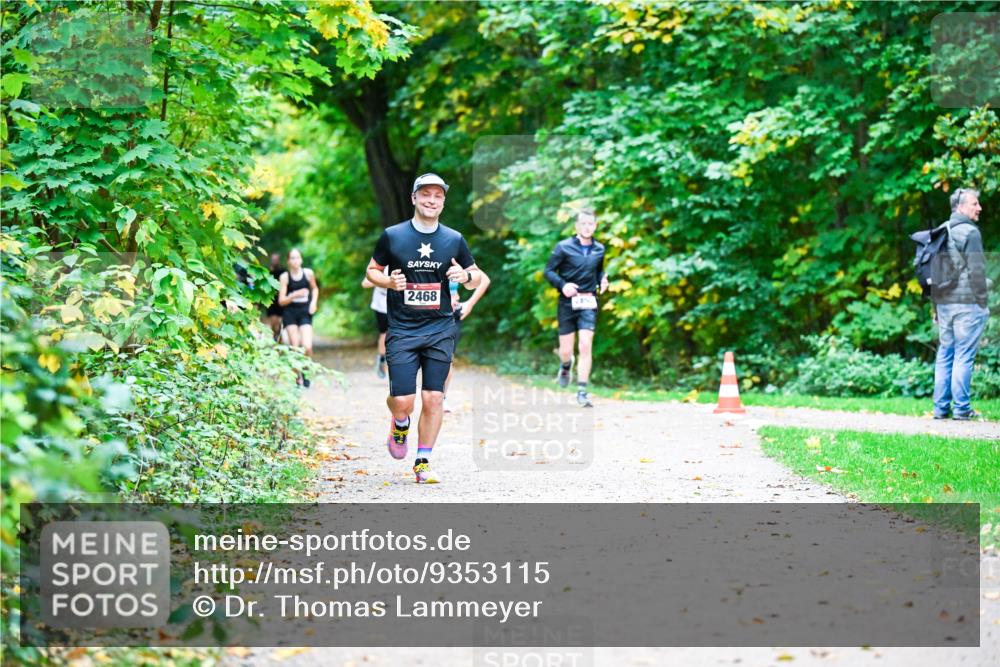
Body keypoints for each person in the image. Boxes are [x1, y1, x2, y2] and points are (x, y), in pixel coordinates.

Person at [364, 173, 483, 484]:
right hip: (402, 328)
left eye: (438, 196)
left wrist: (464, 277)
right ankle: (399, 423)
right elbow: (371, 270)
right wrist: (388, 281)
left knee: (434, 397)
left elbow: (476, 276)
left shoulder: (454, 240)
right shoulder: (393, 236)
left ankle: (423, 462)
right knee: (403, 401)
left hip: (441, 327)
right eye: (426, 194)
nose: (432, 200)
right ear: (413, 198)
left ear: (443, 202)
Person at [932, 188, 989, 420]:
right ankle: (962, 409)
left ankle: (940, 408)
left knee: (946, 352)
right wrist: (983, 302)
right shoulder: (970, 232)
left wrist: (935, 306)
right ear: (961, 207)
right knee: (963, 354)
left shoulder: (941, 230)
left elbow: (935, 271)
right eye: (975, 204)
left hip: (944, 303)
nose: (979, 208)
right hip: (966, 304)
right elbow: (977, 270)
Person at [544, 207, 609, 408]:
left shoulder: (600, 249)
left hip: (588, 302)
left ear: (595, 226)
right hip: (567, 303)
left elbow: (598, 272)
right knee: (566, 350)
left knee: (585, 345)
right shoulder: (563, 247)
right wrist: (563, 285)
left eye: (590, 224)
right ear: (576, 226)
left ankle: (582, 391)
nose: (587, 227)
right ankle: (565, 365)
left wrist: (604, 279)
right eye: (583, 224)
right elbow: (548, 271)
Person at [442, 268, 492, 413]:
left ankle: (442, 398)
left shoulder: (455, 257)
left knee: (446, 358)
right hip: (427, 314)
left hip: (451, 314)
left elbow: (484, 279)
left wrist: (469, 304)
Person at [278, 248, 319, 388]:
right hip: (290, 313)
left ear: (301, 259)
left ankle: (306, 371)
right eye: (292, 258)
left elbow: (315, 289)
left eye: (298, 258)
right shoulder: (285, 277)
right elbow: (281, 301)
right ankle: (297, 376)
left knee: (307, 346)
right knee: (295, 347)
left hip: (304, 311)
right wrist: (294, 295)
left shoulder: (308, 273)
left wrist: (313, 303)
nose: (295, 261)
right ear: (289, 261)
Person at [361, 270, 389, 379]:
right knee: (384, 333)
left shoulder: (403, 260)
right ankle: (382, 359)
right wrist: (384, 281)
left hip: (399, 303)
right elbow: (365, 283)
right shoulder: (380, 264)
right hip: (381, 303)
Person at [265, 252, 285, 342]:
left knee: (279, 322)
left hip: (281, 299)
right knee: (273, 322)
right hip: (271, 300)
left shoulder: (283, 272)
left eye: (276, 259)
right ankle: (275, 335)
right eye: (273, 259)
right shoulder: (267, 272)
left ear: (279, 260)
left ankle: (279, 336)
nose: (275, 261)